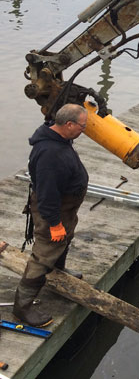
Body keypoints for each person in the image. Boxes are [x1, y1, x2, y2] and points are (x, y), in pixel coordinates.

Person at [16, 103, 90, 328]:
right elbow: (47, 196)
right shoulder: (50, 153)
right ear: (68, 124)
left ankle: (57, 271)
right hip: (53, 210)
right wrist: (55, 224)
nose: (83, 130)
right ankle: (23, 306)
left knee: (65, 238)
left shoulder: (60, 137)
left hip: (65, 208)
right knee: (44, 253)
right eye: (82, 126)